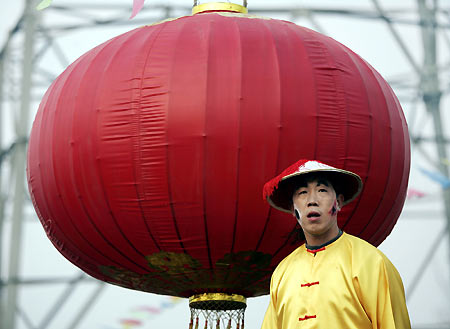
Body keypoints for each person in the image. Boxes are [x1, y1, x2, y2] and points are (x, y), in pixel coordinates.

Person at [261, 159, 411, 329]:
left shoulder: (372, 262)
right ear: (292, 207)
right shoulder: (282, 273)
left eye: (322, 190)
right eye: (303, 192)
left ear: (338, 202)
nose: (312, 201)